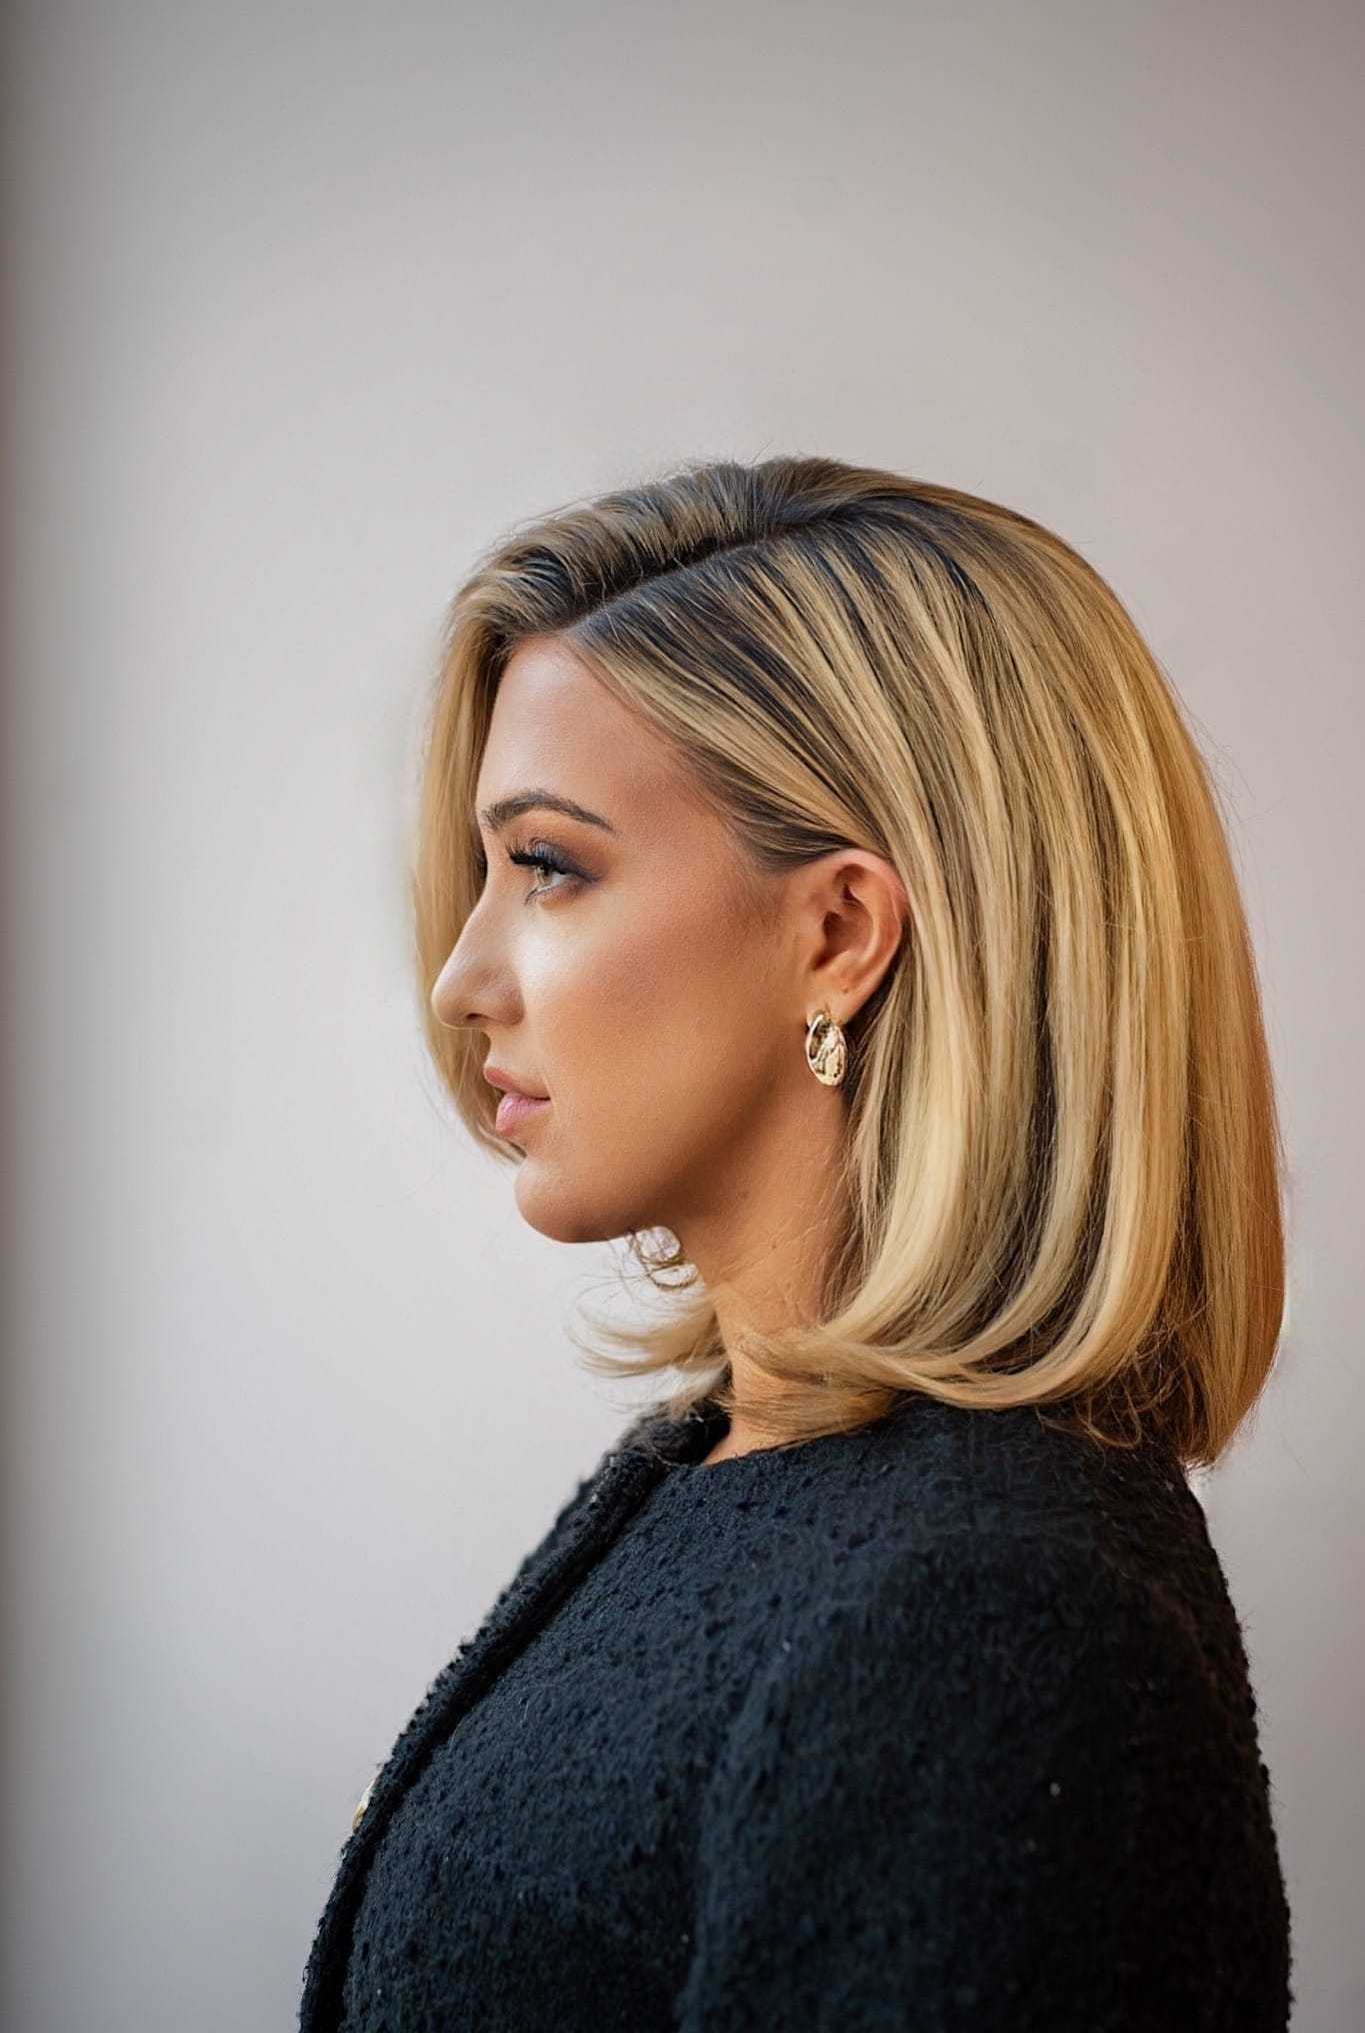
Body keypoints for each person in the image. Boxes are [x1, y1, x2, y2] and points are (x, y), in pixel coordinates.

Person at [298, 455, 1293, 2030]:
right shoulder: (727, 1473)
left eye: (548, 865)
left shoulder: (983, 1623)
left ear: (836, 933)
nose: (461, 974)